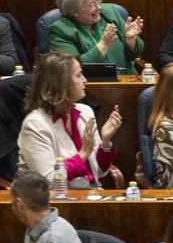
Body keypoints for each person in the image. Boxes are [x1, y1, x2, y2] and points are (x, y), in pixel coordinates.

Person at [17, 52, 121, 188]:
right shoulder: (35, 124)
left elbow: (100, 172)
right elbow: (47, 180)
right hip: (55, 201)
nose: (85, 80)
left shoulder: (85, 111)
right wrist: (83, 153)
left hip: (90, 196)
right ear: (61, 82)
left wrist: (105, 141)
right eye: (78, 75)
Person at [47, 0, 144, 75]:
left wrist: (130, 40)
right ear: (74, 10)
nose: (98, 7)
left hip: (127, 80)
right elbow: (70, 69)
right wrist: (103, 45)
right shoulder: (61, 30)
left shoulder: (110, 12)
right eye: (91, 5)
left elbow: (134, 55)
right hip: (90, 85)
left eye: (98, 0)